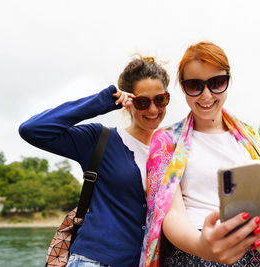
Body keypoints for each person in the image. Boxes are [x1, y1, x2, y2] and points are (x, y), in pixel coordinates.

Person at [140, 42, 260, 266]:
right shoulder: (166, 141)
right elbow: (170, 214)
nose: (206, 95)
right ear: (182, 86)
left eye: (217, 83)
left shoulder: (258, 138)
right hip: (192, 254)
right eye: (194, 86)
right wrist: (201, 246)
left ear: (228, 80)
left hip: (256, 254)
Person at [19, 56, 170, 267]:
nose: (153, 109)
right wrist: (103, 101)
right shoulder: (99, 139)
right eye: (143, 102)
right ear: (127, 103)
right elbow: (33, 130)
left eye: (160, 99)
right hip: (93, 260)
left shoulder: (172, 151)